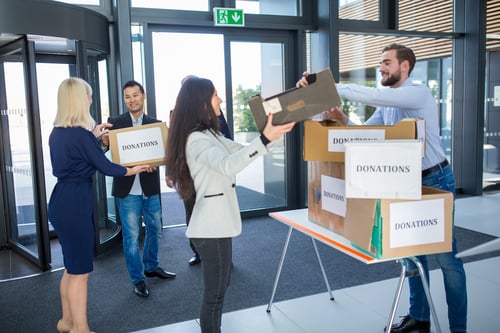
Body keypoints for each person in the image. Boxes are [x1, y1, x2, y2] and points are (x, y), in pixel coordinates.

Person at [297, 43, 467, 333]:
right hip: (404, 180)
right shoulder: (388, 104)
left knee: (447, 259)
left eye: (386, 62)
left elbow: (373, 94)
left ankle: (459, 329)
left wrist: (325, 87)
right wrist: (341, 119)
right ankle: (420, 317)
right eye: (379, 63)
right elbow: (367, 134)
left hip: (435, 179)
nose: (381, 68)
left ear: (405, 66)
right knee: (410, 252)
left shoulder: (417, 92)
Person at [166, 76, 295, 333]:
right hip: (210, 227)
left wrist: (272, 133)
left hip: (217, 224)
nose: (221, 99)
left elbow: (240, 150)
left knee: (219, 289)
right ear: (201, 101)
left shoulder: (208, 133)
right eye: (215, 95)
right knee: (214, 295)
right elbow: (229, 165)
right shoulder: (196, 139)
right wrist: (265, 139)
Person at [48, 77, 150, 333]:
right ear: (78, 101)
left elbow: (80, 158)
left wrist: (93, 139)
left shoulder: (57, 132)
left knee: (71, 268)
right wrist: (133, 168)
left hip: (61, 199)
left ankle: (66, 322)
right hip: (75, 203)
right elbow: (105, 167)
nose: (91, 100)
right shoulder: (80, 135)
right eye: (88, 96)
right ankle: (80, 328)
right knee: (81, 271)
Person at [103, 80, 176, 298]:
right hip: (128, 190)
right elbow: (109, 156)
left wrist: (158, 163)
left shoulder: (156, 124)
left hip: (150, 188)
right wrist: (106, 143)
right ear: (124, 99)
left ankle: (151, 267)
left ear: (143, 96)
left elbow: (163, 154)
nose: (132, 100)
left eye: (135, 95)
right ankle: (138, 279)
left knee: (155, 230)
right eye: (127, 96)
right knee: (131, 237)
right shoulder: (115, 124)